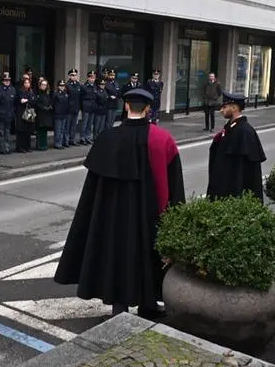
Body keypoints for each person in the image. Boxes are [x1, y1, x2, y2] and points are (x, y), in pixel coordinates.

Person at [54, 88, 185, 317]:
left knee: (116, 255)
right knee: (147, 254)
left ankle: (119, 306)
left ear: (125, 107)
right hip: (148, 213)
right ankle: (148, 304)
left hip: (113, 215)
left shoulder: (107, 138)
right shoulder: (162, 139)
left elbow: (92, 189)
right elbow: (175, 184)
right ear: (147, 109)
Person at [206, 92, 266, 202]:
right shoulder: (231, 127)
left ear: (234, 108)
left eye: (225, 107)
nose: (221, 110)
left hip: (234, 192)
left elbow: (242, 171)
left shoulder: (245, 131)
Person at [0, 72, 17, 154]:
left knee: (7, 132)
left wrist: (13, 112)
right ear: (2, 81)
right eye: (5, 80)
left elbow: (14, 103)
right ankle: (3, 148)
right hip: (1, 115)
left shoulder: (12, 89)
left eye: (8, 80)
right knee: (1, 132)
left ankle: (7, 148)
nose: (7, 82)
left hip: (9, 115)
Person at [14, 77, 35, 152]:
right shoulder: (20, 91)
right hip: (22, 111)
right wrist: (27, 100)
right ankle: (20, 147)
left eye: (28, 83)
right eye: (25, 83)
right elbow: (20, 101)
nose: (27, 84)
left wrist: (27, 100)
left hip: (30, 111)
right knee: (21, 130)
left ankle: (27, 146)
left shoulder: (31, 91)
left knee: (28, 130)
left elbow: (33, 100)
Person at [34, 78, 53, 151]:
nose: (44, 86)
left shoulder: (47, 94)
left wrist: (50, 106)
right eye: (42, 84)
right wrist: (43, 107)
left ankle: (44, 145)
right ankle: (39, 146)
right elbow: (36, 103)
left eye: (45, 85)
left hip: (46, 115)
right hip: (40, 114)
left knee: (45, 131)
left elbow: (50, 101)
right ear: (40, 85)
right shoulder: (37, 93)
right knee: (40, 131)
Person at [65, 68, 82, 147]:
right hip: (69, 109)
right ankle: (66, 141)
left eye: (75, 75)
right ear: (69, 76)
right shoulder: (67, 85)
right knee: (67, 126)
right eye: (72, 75)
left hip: (76, 108)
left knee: (74, 126)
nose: (74, 76)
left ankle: (72, 140)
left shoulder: (78, 85)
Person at [52, 80, 71, 149]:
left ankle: (61, 142)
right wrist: (56, 111)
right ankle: (57, 143)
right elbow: (53, 103)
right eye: (61, 85)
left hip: (64, 113)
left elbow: (67, 103)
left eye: (63, 86)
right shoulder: (56, 93)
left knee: (62, 129)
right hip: (58, 114)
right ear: (58, 86)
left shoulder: (65, 93)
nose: (62, 87)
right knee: (58, 130)